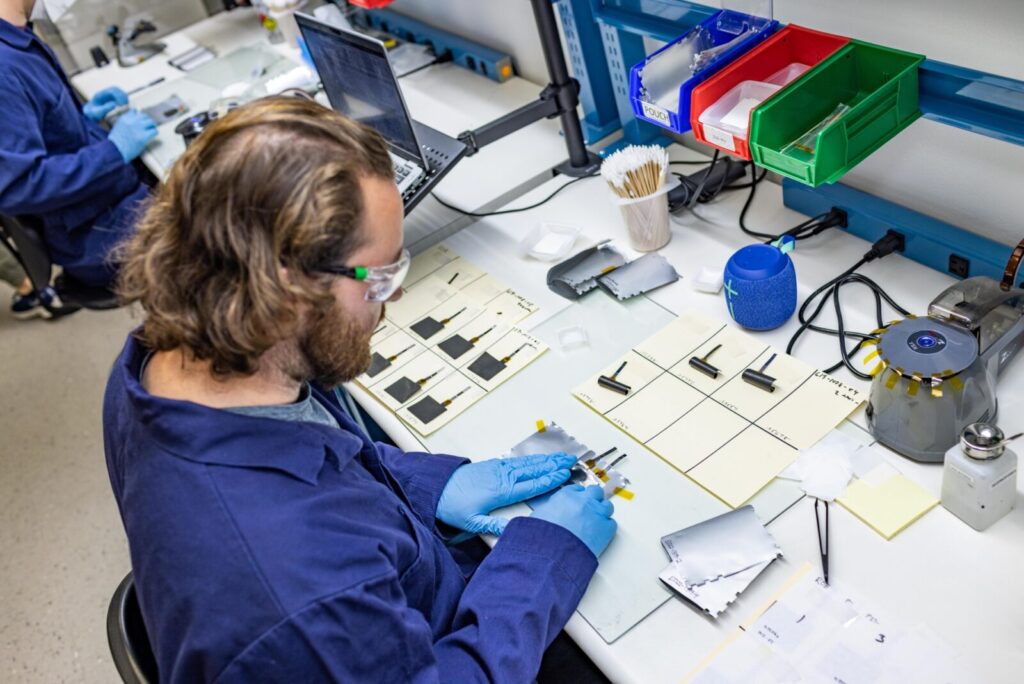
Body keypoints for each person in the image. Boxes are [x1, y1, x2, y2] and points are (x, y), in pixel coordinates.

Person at [103, 96, 618, 683]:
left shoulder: (179, 357)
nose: (394, 296)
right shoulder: (299, 595)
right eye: (382, 275)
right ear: (287, 287)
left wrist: (429, 485)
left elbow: (315, 453)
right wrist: (541, 564)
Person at [0, 0, 158, 318]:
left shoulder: (19, 36)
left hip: (109, 201)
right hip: (98, 234)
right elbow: (17, 186)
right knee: (235, 205)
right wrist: (114, 150)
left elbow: (42, 133)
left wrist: (81, 120)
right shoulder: (3, 66)